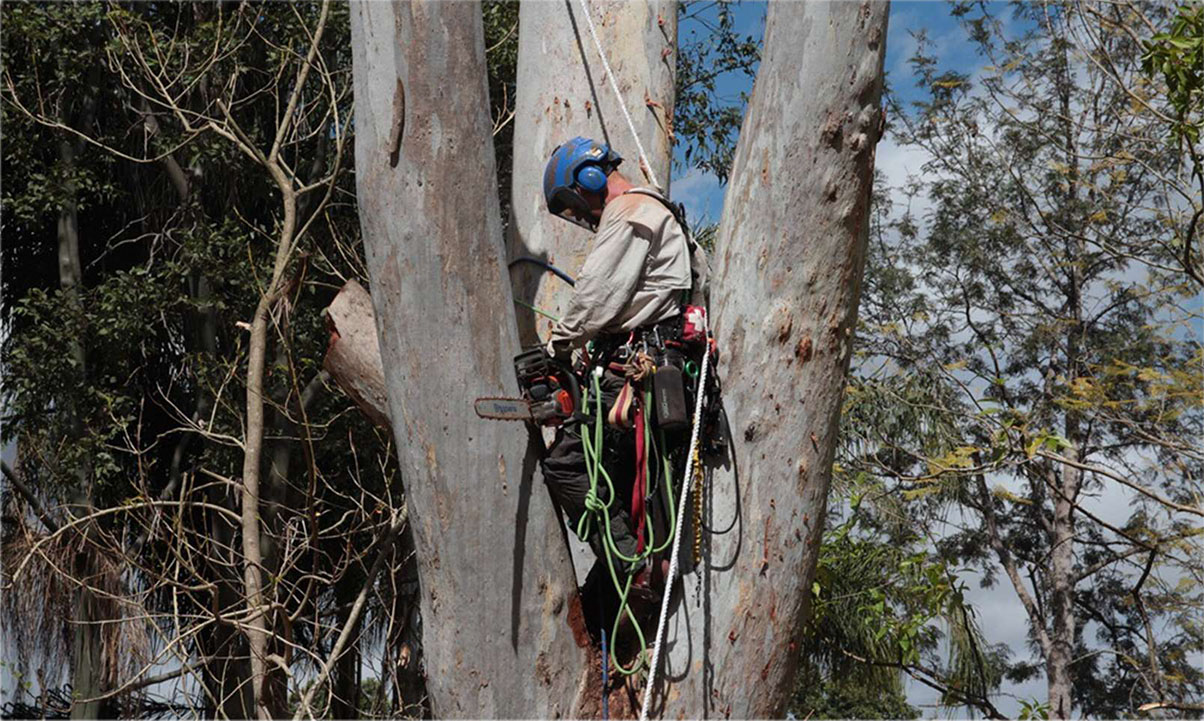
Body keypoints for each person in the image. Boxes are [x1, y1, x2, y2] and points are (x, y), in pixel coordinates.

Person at [538, 136, 709, 588]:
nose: (582, 216)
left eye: (576, 206)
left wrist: (556, 347)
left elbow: (595, 297)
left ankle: (631, 565)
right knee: (627, 476)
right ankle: (639, 561)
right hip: (659, 362)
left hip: (639, 366)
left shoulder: (631, 212)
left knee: (566, 465)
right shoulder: (662, 211)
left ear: (588, 180)